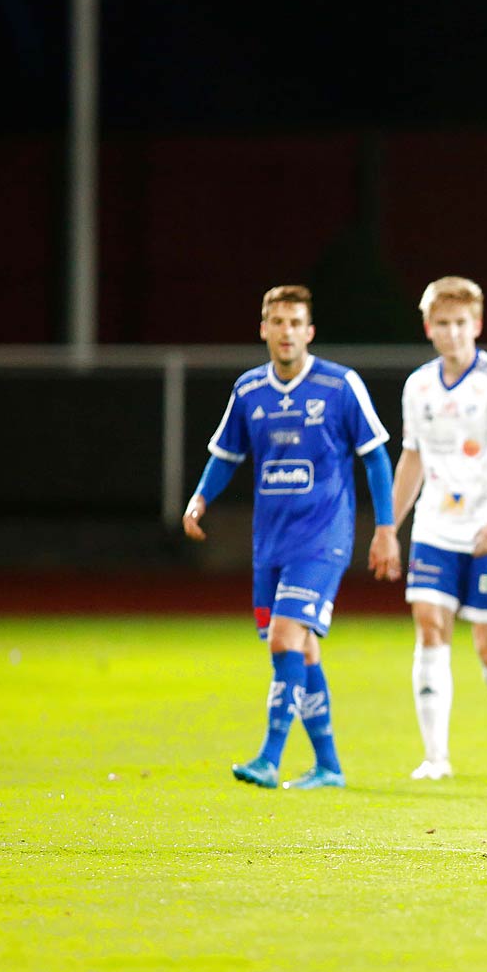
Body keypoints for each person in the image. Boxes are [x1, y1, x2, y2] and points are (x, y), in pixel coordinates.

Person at [182, 284, 400, 790]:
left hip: (324, 537)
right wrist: (199, 497)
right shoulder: (249, 391)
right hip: (271, 543)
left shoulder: (340, 385)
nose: (286, 332)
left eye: (296, 323)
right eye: (277, 322)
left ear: (310, 331)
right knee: (300, 652)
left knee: (284, 638)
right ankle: (329, 766)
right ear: (264, 329)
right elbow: (226, 454)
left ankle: (268, 758)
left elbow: (375, 456)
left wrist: (385, 529)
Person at [391, 276, 487, 779]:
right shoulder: (418, 386)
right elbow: (412, 458)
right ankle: (435, 758)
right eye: (443, 323)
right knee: (430, 628)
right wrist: (387, 527)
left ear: (475, 325)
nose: (453, 333)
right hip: (436, 528)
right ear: (428, 327)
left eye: (461, 323)